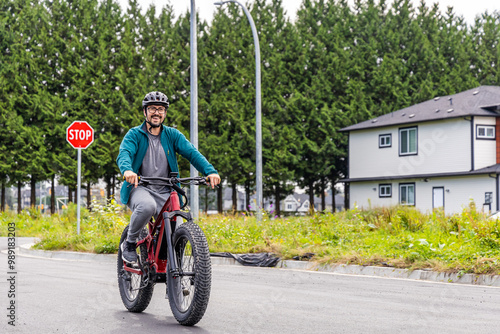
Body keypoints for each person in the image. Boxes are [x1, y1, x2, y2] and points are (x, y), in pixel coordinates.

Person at [116, 91, 221, 263]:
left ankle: (173, 277)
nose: (156, 112)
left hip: (166, 189)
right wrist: (127, 170)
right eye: (152, 108)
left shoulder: (172, 135)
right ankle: (129, 242)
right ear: (145, 112)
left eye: (160, 109)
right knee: (147, 206)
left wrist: (209, 171)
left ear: (165, 113)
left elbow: (192, 153)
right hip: (140, 187)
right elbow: (124, 153)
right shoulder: (134, 134)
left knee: (173, 231)